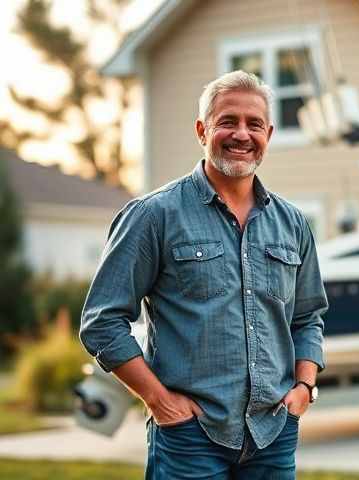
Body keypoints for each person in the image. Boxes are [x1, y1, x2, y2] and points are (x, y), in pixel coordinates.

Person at [79, 70, 327, 479]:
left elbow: (307, 317)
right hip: (188, 438)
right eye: (228, 121)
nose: (241, 135)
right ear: (202, 130)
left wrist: (304, 389)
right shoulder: (154, 215)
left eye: (254, 124)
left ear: (269, 133)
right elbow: (101, 322)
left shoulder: (293, 223)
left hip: (273, 433)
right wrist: (158, 400)